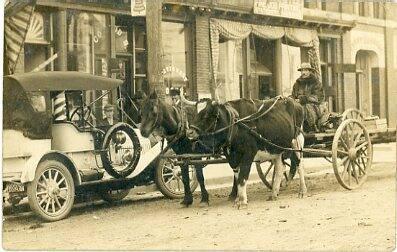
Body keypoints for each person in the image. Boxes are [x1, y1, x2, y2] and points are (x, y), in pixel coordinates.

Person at [291, 62, 325, 132]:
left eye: (306, 70)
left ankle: (307, 128)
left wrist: (303, 99)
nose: (304, 72)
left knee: (304, 107)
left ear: (310, 71)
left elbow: (318, 97)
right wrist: (290, 98)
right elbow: (293, 95)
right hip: (299, 105)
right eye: (302, 70)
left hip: (314, 107)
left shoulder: (316, 83)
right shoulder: (297, 84)